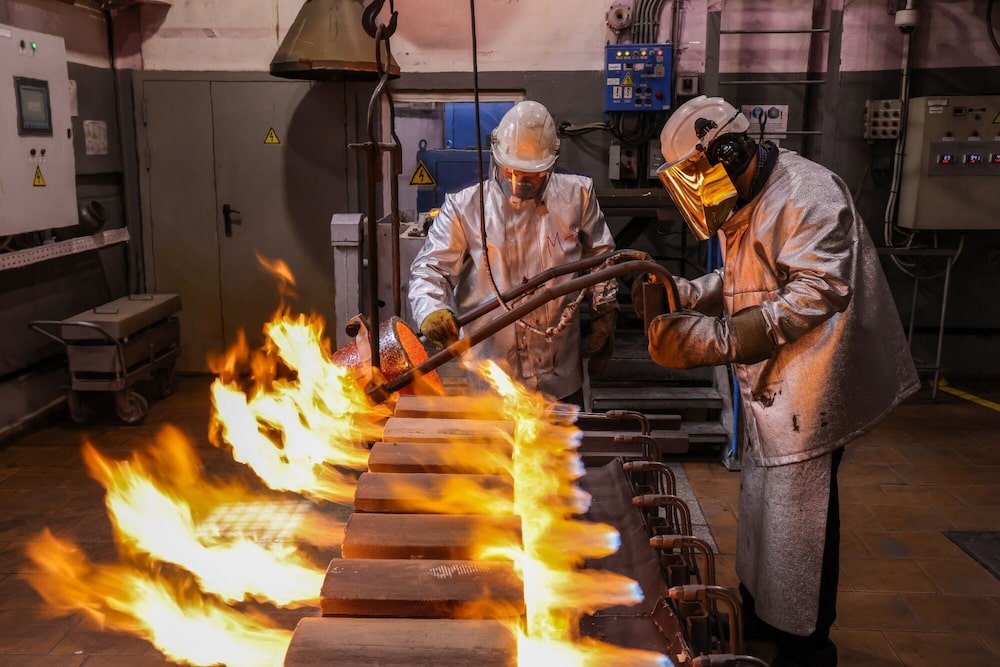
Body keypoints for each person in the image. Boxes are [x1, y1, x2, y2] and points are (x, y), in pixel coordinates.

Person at [637, 95, 920, 666]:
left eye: (698, 175)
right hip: (773, 385)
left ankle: (806, 647)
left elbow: (815, 292)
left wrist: (709, 340)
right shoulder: (749, 196)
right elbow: (747, 277)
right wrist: (688, 291)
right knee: (764, 508)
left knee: (801, 524)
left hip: (811, 382)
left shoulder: (808, 194)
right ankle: (762, 617)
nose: (697, 191)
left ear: (730, 151)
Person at [407, 100, 618, 407]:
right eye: (510, 171)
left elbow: (603, 257)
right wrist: (430, 309)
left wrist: (605, 308)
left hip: (559, 373)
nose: (519, 182)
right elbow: (429, 270)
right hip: (491, 373)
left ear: (550, 166)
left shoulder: (577, 196)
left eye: (530, 175)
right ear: (496, 158)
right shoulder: (465, 207)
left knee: (559, 452)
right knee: (493, 454)